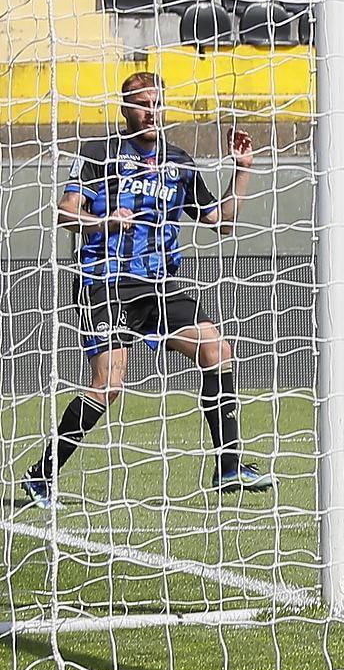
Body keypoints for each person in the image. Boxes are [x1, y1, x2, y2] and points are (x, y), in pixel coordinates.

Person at [20, 71, 271, 508]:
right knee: (109, 385)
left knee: (218, 350)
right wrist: (105, 222)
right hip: (107, 283)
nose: (152, 111)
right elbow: (64, 212)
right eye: (142, 103)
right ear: (125, 109)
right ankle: (43, 475)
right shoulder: (100, 154)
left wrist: (242, 169)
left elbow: (222, 223)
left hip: (160, 286)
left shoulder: (179, 162)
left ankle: (228, 466)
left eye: (157, 102)